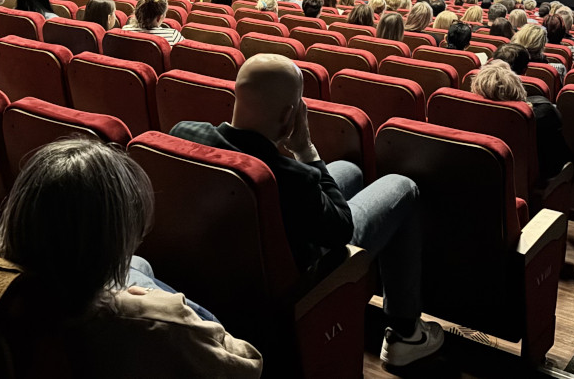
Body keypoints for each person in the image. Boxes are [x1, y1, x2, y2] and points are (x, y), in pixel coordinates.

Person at [171, 55, 443, 367]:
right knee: (402, 186)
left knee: (348, 170)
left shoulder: (183, 133)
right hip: (301, 270)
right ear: (290, 115)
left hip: (225, 259)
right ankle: (406, 335)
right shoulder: (290, 177)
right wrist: (306, 150)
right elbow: (341, 230)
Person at [0, 139, 262, 377]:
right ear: (114, 236)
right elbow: (248, 365)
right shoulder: (161, 324)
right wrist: (168, 309)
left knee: (137, 263)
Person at [471, 61, 571, 179]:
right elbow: (558, 161)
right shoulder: (544, 114)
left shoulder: (467, 114)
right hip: (531, 184)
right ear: (518, 88)